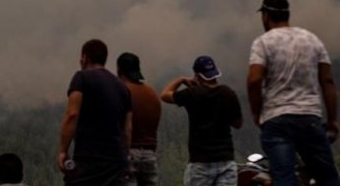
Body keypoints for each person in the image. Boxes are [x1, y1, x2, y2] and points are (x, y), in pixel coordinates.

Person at [247, 0, 340, 186]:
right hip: (309, 119)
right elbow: (328, 82)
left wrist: (257, 113)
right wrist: (332, 120)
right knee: (328, 179)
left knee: (283, 178)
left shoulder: (263, 42)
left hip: (277, 121)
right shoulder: (312, 40)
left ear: (265, 15)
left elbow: (254, 80)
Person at [58, 39, 133, 186]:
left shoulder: (82, 78)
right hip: (116, 163)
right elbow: (128, 129)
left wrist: (62, 151)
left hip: (89, 161)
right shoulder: (123, 87)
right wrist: (125, 156)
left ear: (85, 58)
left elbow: (71, 115)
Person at [161, 55, 242, 186]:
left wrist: (181, 80)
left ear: (197, 76)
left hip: (200, 163)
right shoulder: (228, 93)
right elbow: (238, 124)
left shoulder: (192, 94)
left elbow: (165, 95)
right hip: (226, 161)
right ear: (215, 73)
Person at [117, 52, 161, 186]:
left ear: (120, 70)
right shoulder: (152, 93)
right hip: (149, 155)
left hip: (128, 152)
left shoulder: (121, 91)